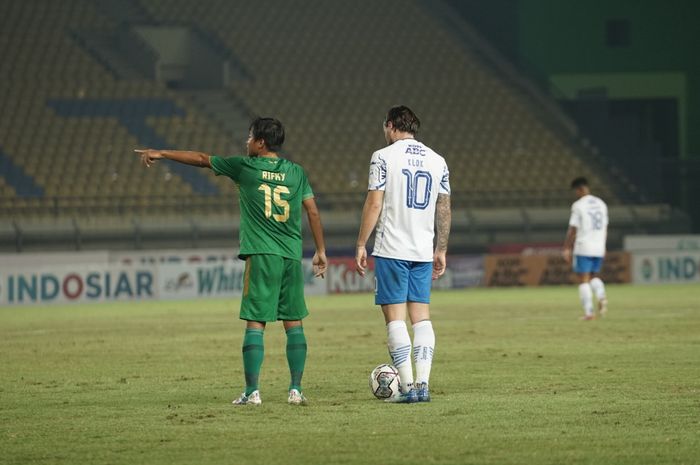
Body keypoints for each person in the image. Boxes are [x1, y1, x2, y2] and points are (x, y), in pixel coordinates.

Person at [135, 117, 327, 406]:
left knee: (255, 323)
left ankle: (252, 392)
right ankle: (296, 390)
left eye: (249, 137)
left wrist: (161, 153)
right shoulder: (296, 173)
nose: (246, 142)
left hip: (262, 254)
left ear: (261, 143)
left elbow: (202, 159)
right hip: (290, 255)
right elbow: (312, 212)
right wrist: (321, 250)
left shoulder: (244, 167)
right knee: (294, 323)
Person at [355, 105, 451, 403]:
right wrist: (441, 248)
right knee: (421, 318)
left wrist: (361, 243)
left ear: (390, 125)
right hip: (422, 250)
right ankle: (423, 384)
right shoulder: (438, 160)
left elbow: (374, 203)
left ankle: (408, 388)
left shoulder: (382, 157)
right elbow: (444, 208)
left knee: (395, 319)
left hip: (391, 248)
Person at [562, 177, 609, 320]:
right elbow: (605, 227)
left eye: (576, 191)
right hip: (599, 245)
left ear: (580, 189)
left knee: (583, 279)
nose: (576, 194)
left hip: (584, 245)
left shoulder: (579, 205)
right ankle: (601, 296)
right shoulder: (601, 203)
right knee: (594, 276)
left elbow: (573, 229)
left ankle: (589, 313)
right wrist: (604, 245)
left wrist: (566, 247)